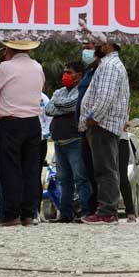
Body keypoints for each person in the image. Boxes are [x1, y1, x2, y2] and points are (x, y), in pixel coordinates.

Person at [0, 41, 45, 227]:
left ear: (8, 49)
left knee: (10, 169)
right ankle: (28, 213)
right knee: (31, 169)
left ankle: (11, 214)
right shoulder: (37, 67)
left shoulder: (6, 67)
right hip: (33, 122)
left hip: (11, 122)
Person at [79, 42, 130, 225]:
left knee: (105, 169)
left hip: (103, 125)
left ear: (109, 45)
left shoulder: (109, 66)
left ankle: (107, 212)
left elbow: (105, 97)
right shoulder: (111, 65)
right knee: (106, 168)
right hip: (104, 124)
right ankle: (107, 210)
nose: (93, 48)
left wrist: (94, 117)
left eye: (97, 44)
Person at [44, 61, 92, 223]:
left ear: (79, 74)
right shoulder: (60, 91)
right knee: (64, 180)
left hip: (75, 140)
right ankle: (65, 214)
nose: (65, 75)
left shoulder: (83, 90)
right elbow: (48, 109)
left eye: (69, 72)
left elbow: (74, 104)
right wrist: (61, 107)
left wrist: (59, 105)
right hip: (59, 142)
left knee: (80, 178)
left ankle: (85, 213)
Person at [78, 42, 100, 216]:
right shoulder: (88, 72)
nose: (85, 50)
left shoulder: (103, 70)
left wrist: (94, 118)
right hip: (84, 127)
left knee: (99, 169)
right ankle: (91, 208)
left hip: (96, 125)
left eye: (89, 46)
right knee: (88, 170)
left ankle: (101, 208)